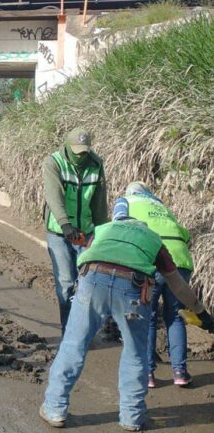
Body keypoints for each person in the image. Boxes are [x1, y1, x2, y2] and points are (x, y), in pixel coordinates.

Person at [40, 217, 213, 431]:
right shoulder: (153, 240)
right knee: (135, 353)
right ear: (142, 228)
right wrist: (201, 312)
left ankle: (55, 408)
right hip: (133, 288)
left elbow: (82, 255)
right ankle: (131, 417)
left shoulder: (103, 229)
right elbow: (177, 284)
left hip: (93, 281)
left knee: (73, 345)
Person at [113, 182, 195, 388]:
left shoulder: (125, 202)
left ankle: (148, 373)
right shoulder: (161, 207)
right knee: (175, 317)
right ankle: (180, 372)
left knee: (148, 318)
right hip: (180, 262)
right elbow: (185, 236)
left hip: (151, 260)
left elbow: (119, 226)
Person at [43, 127, 108, 333]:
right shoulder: (54, 162)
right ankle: (68, 330)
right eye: (77, 151)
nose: (81, 155)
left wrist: (101, 232)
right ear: (67, 146)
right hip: (60, 233)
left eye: (85, 151)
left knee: (88, 281)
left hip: (85, 232)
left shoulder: (96, 164)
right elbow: (54, 195)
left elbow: (99, 202)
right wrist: (65, 224)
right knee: (66, 282)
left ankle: (83, 327)